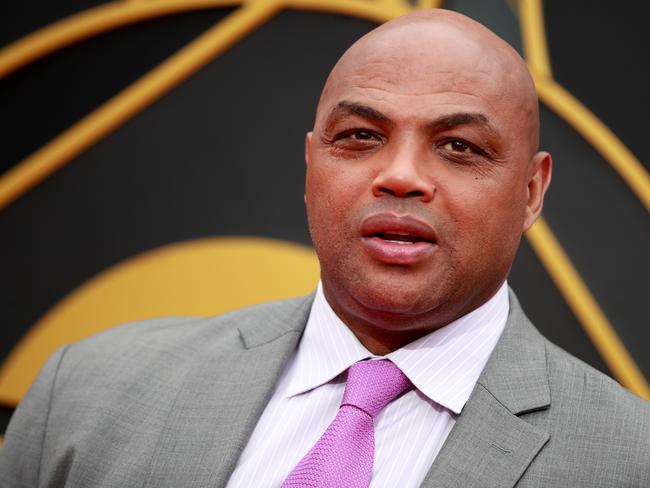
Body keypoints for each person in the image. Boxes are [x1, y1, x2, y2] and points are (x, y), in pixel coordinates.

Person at [1, 8, 648, 488]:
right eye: (361, 136)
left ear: (532, 191)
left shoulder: (629, 461)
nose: (401, 176)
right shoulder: (86, 394)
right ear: (311, 168)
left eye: (459, 147)